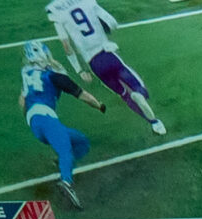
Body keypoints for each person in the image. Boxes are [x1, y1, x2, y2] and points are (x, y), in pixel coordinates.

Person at [48, 0, 163, 134]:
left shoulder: (55, 10)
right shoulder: (87, 1)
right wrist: (104, 29)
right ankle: (139, 95)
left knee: (123, 94)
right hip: (108, 54)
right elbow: (112, 22)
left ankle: (153, 123)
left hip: (94, 64)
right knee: (138, 87)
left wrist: (79, 70)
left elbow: (67, 47)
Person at [18, 40, 103, 206]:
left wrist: (31, 119)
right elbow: (83, 95)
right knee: (66, 151)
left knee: (81, 141)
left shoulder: (26, 72)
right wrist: (100, 106)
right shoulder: (54, 76)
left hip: (35, 121)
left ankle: (61, 163)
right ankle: (66, 182)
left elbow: (22, 100)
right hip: (47, 119)